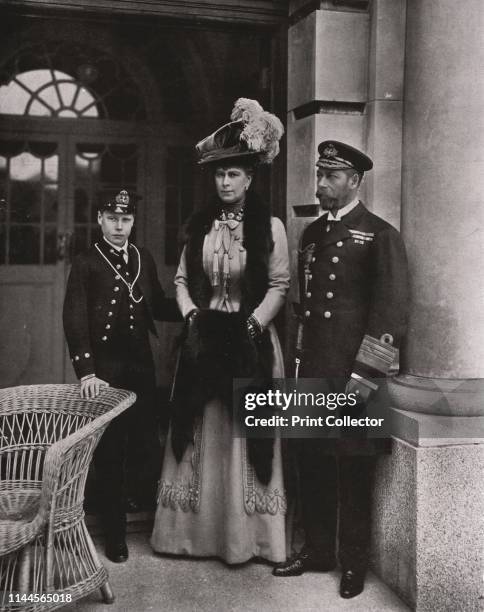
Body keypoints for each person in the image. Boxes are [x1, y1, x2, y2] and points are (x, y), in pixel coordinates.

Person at [150, 98, 289, 564]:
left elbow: (279, 285)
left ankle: (247, 539)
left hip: (250, 339)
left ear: (249, 178)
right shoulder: (199, 227)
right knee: (195, 428)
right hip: (203, 337)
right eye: (219, 174)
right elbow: (183, 282)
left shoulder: (269, 227)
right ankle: (192, 535)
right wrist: (191, 316)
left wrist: (253, 323)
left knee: (246, 435)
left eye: (233, 174)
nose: (225, 182)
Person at [273, 141, 409, 599]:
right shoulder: (311, 234)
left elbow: (390, 315)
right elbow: (303, 309)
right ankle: (317, 552)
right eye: (320, 174)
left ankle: (353, 564)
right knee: (311, 462)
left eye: (331, 176)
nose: (322, 184)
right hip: (313, 370)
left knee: (353, 470)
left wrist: (364, 379)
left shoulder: (379, 235)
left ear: (355, 180)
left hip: (354, 377)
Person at [63, 189, 180, 563]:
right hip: (106, 370)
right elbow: (75, 319)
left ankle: (138, 513)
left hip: (141, 366)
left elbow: (159, 304)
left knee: (144, 440)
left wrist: (196, 306)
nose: (119, 226)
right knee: (110, 450)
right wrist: (87, 372)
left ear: (133, 221)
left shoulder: (142, 258)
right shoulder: (86, 262)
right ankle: (114, 534)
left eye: (126, 219)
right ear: (100, 219)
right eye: (112, 218)